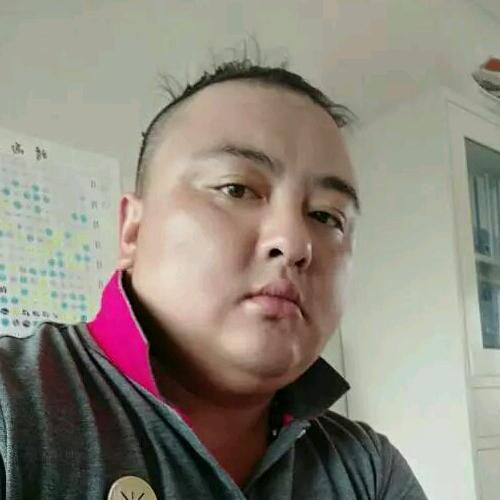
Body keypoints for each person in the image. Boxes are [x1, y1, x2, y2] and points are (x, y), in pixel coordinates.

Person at [0, 52, 428, 499]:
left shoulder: (366, 468)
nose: (294, 242)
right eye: (237, 189)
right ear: (132, 230)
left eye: (326, 216)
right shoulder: (14, 413)